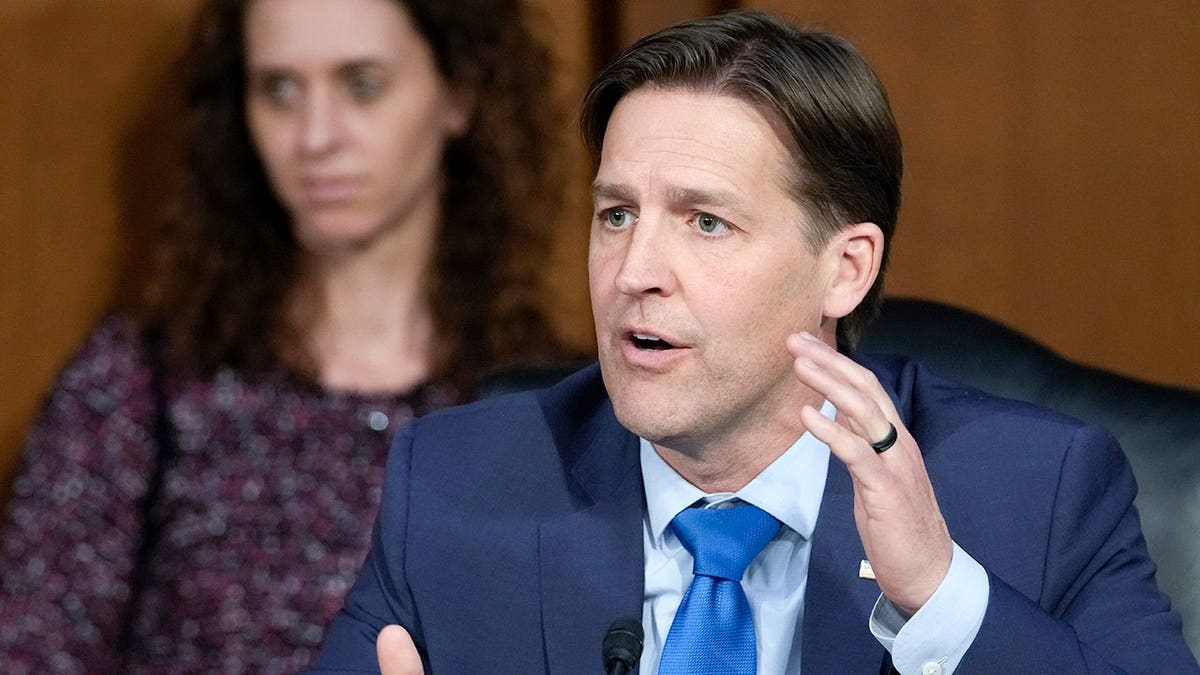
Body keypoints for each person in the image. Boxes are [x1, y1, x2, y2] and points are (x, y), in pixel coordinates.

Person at [308, 9, 1198, 675]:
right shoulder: (457, 483)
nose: (633, 270)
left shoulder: (1038, 493)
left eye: (706, 222)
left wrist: (940, 594)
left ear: (843, 270)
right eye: (616, 214)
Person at [0, 0, 573, 672]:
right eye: (279, 90)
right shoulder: (139, 382)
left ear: (459, 94)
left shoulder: (555, 410)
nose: (314, 136)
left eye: (361, 84)